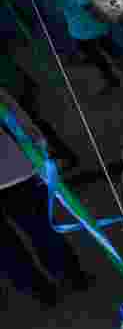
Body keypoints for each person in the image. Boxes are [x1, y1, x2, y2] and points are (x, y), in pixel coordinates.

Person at [0, 89, 93, 307]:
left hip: (14, 173)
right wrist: (39, 145)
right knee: (39, 230)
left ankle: (43, 290)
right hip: (14, 173)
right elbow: (12, 111)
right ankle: (68, 278)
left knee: (9, 245)